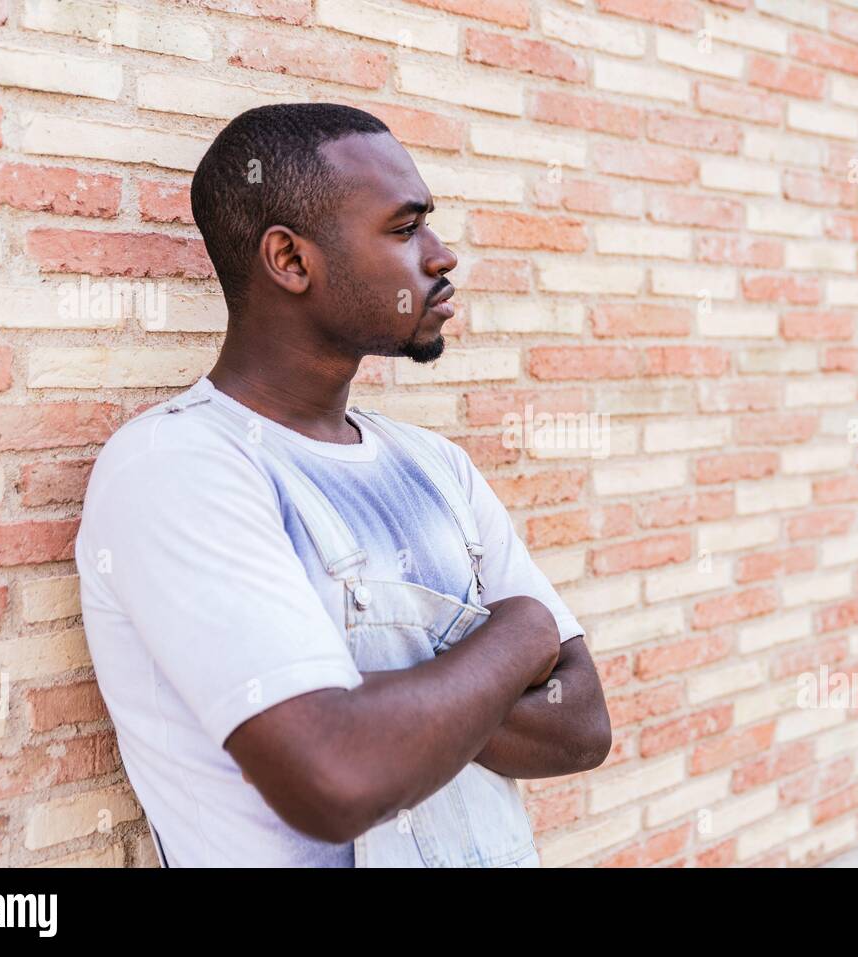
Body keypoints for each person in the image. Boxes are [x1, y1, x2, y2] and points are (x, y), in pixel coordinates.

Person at [74, 103, 612, 867]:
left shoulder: (435, 465)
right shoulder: (178, 468)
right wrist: (522, 631)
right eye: (404, 228)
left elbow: (582, 725)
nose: (442, 255)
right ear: (290, 261)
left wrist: (385, 710)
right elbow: (338, 775)